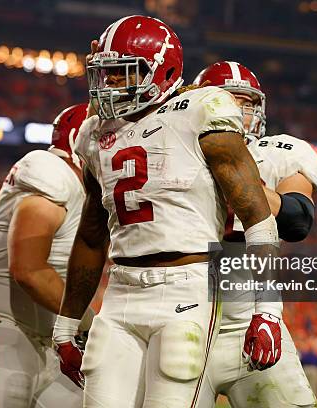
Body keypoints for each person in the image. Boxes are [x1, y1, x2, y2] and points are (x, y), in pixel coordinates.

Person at [52, 15, 278, 408]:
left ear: (162, 70)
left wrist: (269, 310)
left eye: (121, 74)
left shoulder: (199, 111)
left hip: (186, 289)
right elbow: (91, 234)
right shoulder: (94, 134)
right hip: (121, 291)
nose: (109, 86)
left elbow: (257, 217)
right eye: (104, 74)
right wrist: (66, 325)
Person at [192, 61, 317, 407]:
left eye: (246, 102)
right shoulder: (177, 152)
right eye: (228, 100)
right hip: (182, 317)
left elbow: (297, 220)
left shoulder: (280, 150)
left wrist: (240, 183)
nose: (239, 110)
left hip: (250, 316)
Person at [0, 104, 88, 408]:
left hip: (45, 346)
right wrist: (89, 321)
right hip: (4, 334)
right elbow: (29, 269)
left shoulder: (81, 191)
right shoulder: (50, 169)